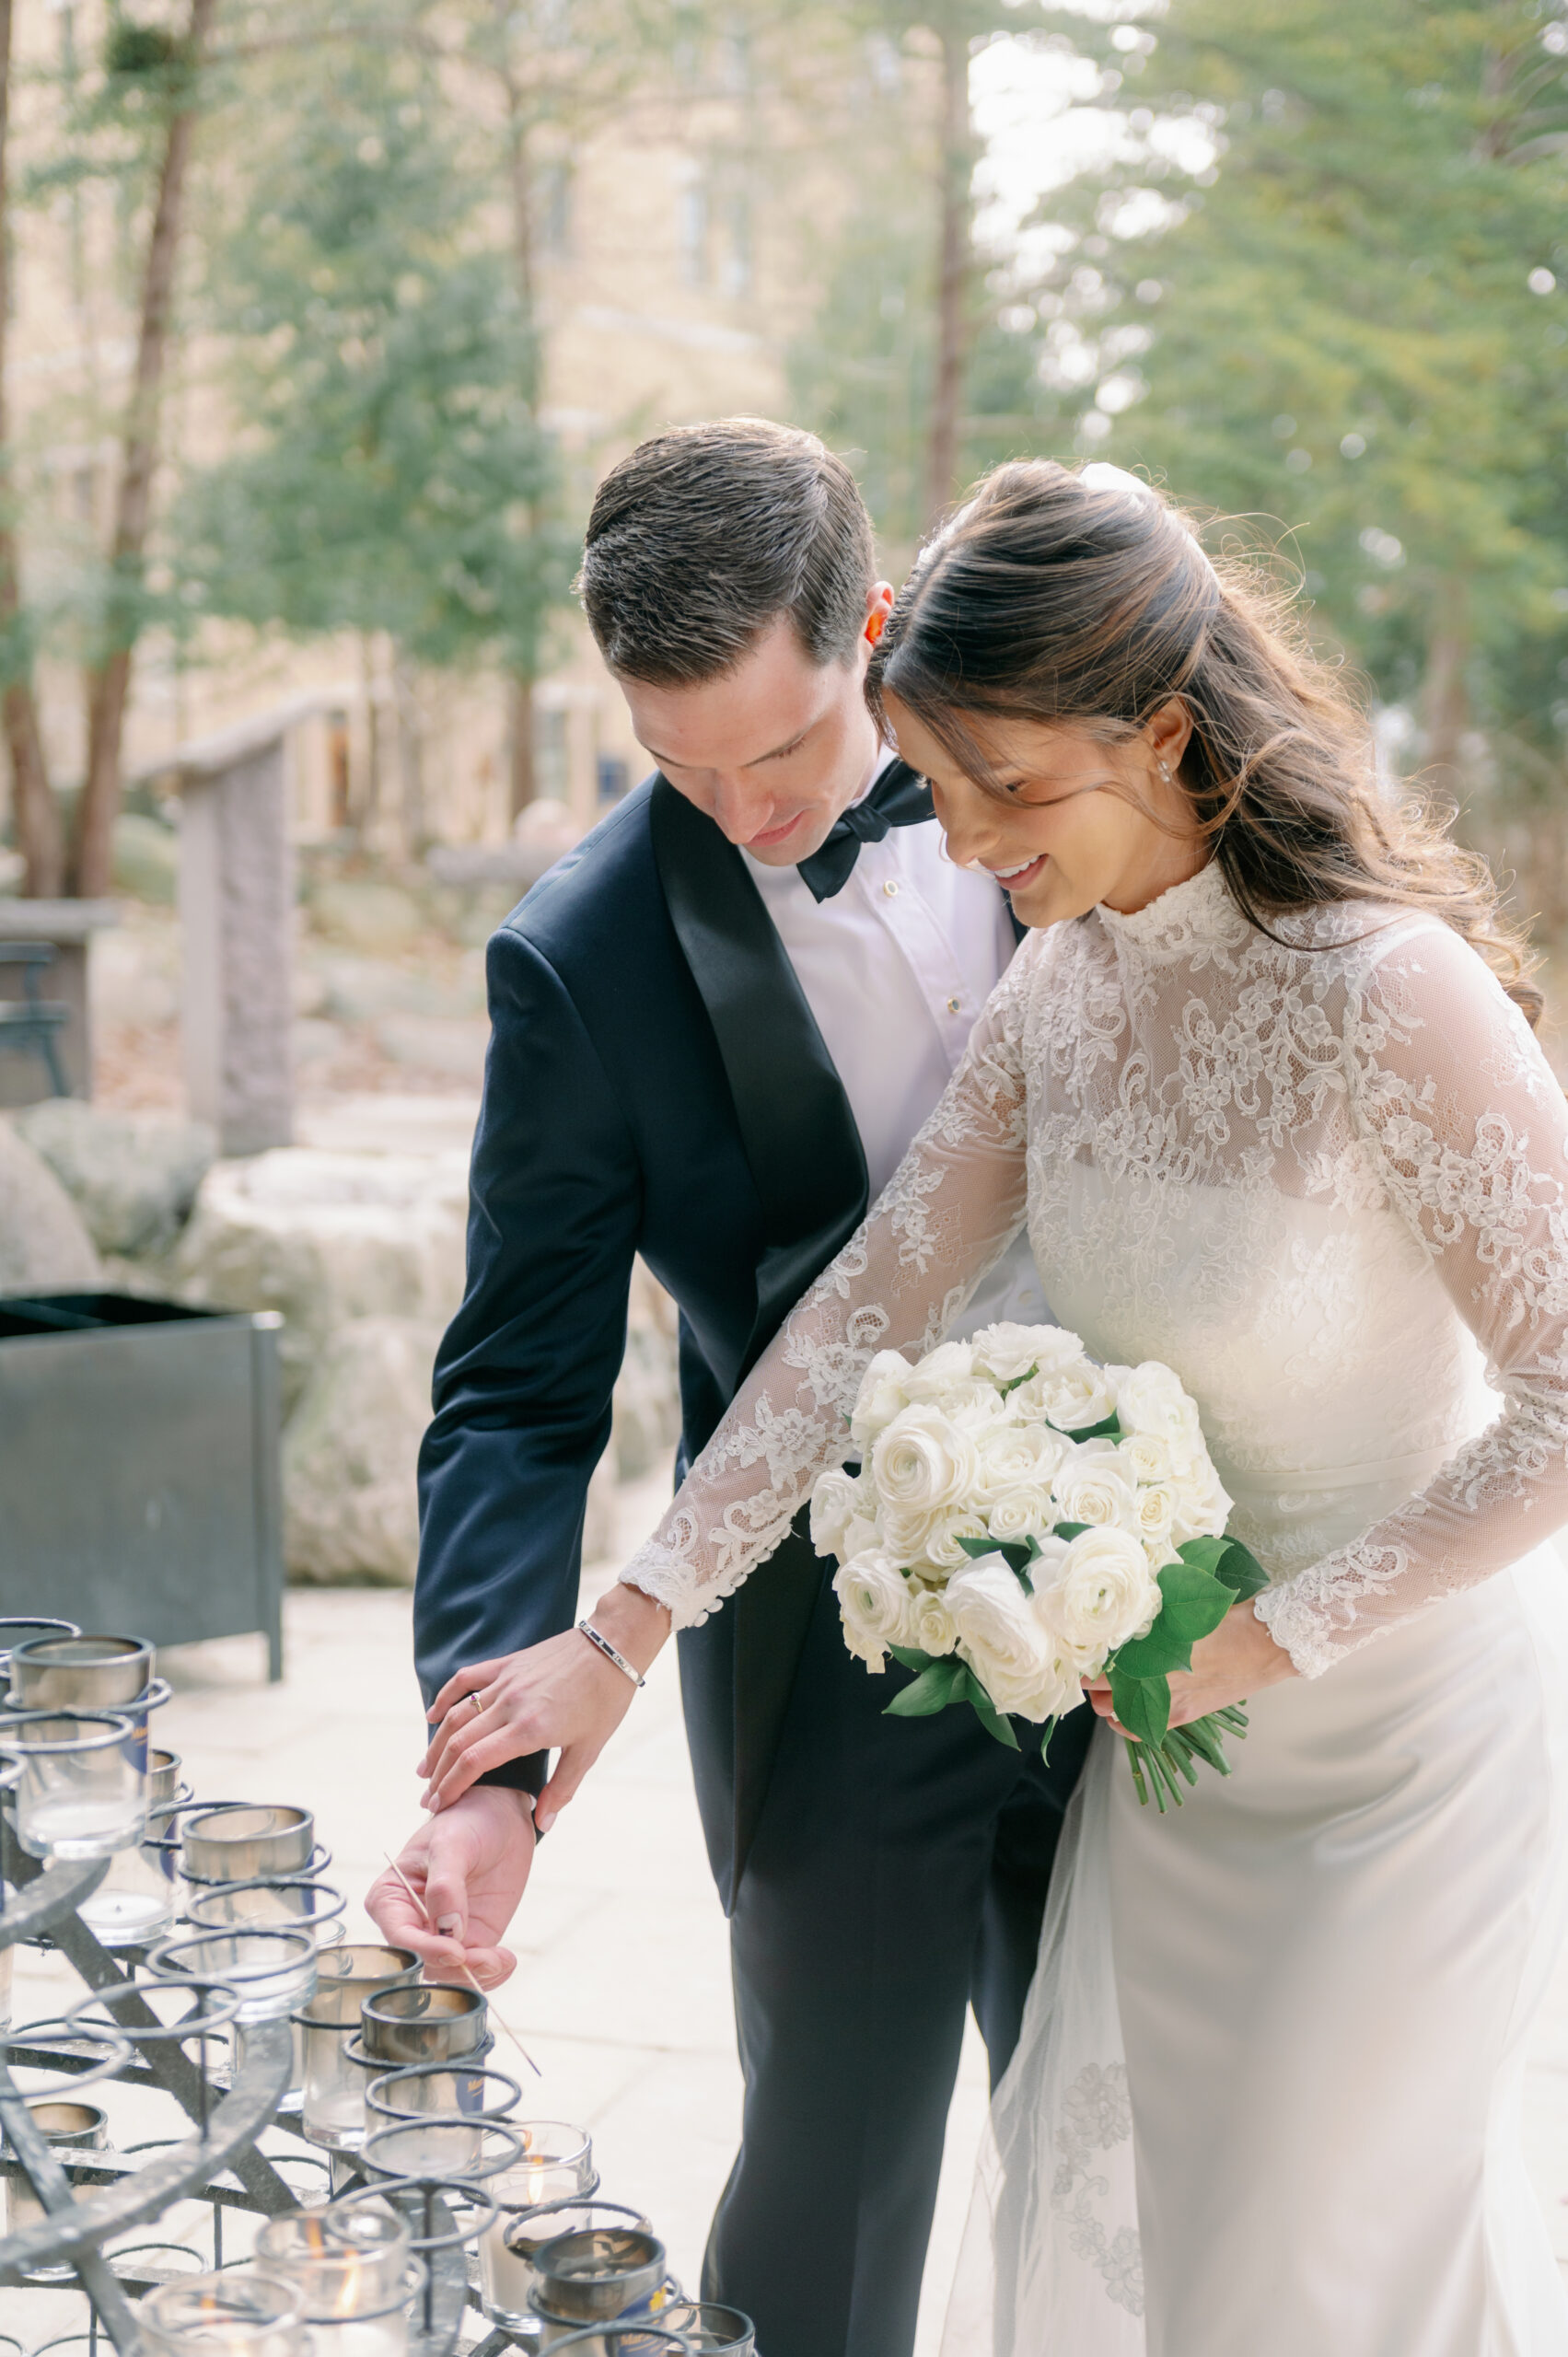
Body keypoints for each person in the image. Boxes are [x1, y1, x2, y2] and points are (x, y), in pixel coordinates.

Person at [447, 454, 1568, 2357]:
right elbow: (852, 1321)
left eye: (1007, 789)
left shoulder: (1395, 990)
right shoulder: (1060, 989)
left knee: (1313, 2263)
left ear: (1161, 734)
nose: (961, 843)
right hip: (1171, 1770)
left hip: (1397, 1753)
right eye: (942, 788)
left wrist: (1266, 1643)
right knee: (1170, 2264)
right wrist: (620, 1631)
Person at [366, 420, 1092, 2357]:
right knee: (830, 2188)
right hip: (820, 1636)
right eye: (680, 766)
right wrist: (491, 1776)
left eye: (781, 752)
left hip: (1163, 1591)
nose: (746, 810)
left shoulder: (1073, 780)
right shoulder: (583, 957)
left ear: (874, 626)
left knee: (1144, 2146)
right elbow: (516, 1391)